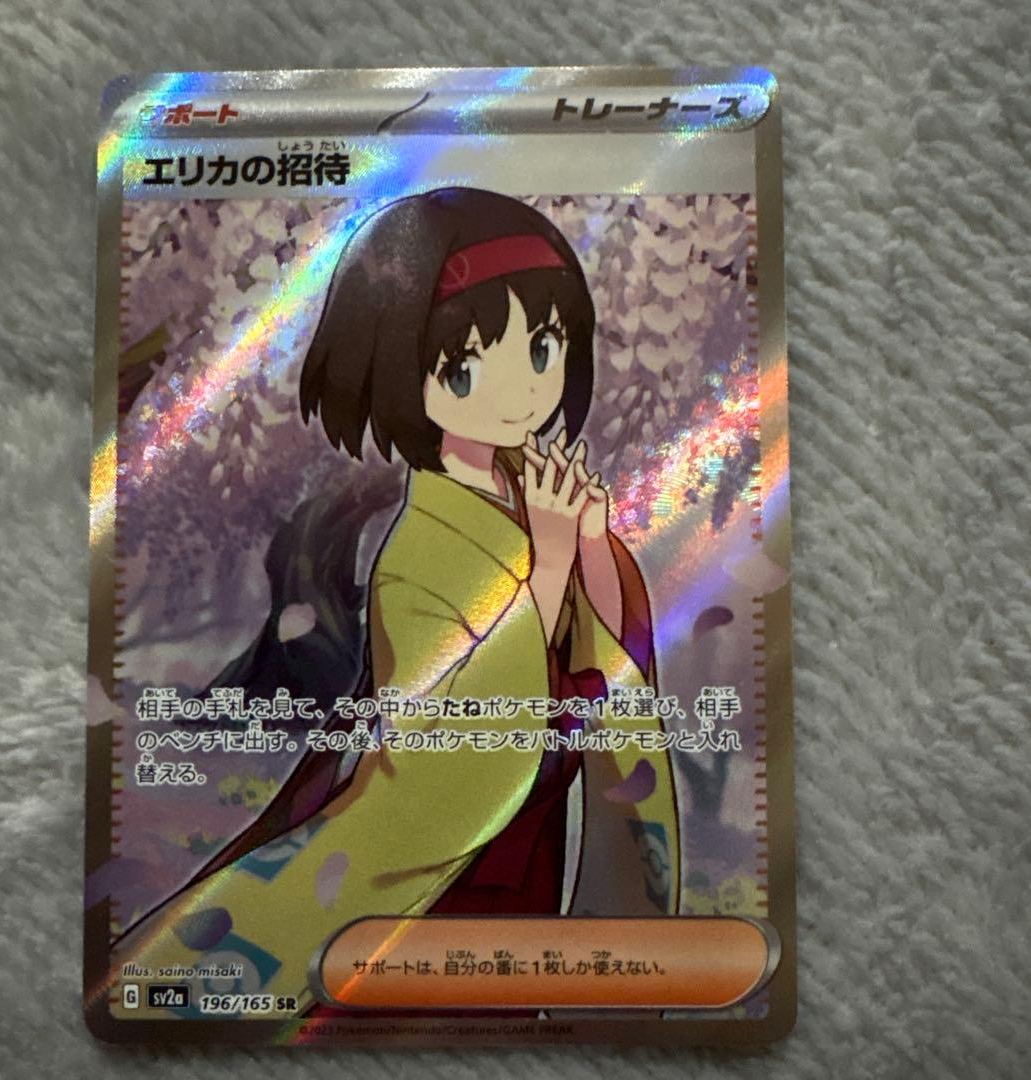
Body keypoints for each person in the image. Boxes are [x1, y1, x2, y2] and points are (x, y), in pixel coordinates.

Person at [106, 187, 679, 1020]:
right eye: (467, 369)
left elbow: (597, 669)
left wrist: (590, 548)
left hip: (534, 828)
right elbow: (455, 750)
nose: (522, 392)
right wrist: (553, 561)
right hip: (449, 866)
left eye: (543, 348)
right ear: (405, 375)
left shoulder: (536, 494)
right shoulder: (418, 554)